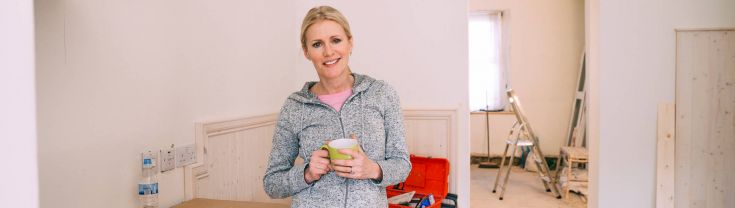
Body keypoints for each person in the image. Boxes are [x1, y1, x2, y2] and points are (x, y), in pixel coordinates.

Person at [263, 5, 412, 208]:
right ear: (306, 52)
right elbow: (272, 183)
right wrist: (307, 173)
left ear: (350, 43)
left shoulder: (381, 94)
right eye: (317, 44)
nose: (328, 51)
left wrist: (372, 169)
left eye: (336, 40)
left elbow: (402, 165)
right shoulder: (295, 106)